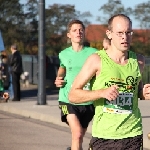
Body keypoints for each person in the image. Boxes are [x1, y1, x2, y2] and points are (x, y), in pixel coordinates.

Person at [69, 14, 150, 150]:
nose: (125, 37)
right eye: (119, 33)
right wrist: (101, 92)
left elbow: (137, 92)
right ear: (109, 34)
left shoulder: (139, 61)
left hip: (133, 134)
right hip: (105, 137)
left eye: (128, 32)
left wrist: (144, 93)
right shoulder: (96, 60)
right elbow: (73, 95)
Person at [54, 19, 97, 150]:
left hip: (87, 100)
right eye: (74, 30)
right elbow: (62, 68)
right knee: (77, 134)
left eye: (81, 30)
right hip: (67, 99)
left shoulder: (94, 53)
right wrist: (58, 78)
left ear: (84, 32)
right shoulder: (64, 54)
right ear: (69, 35)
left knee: (80, 136)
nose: (78, 32)